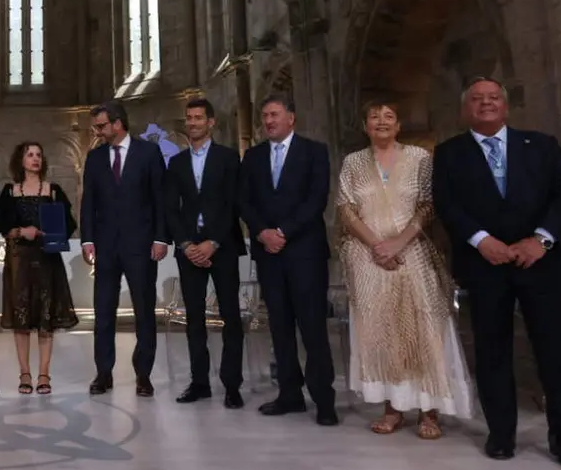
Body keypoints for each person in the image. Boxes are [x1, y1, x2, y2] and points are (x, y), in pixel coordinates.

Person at [432, 77, 561, 469]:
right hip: (485, 266)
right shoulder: (450, 153)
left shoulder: (541, 146)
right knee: (492, 352)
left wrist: (542, 240)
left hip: (541, 264)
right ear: (467, 108)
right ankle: (501, 434)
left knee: (553, 351)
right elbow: (447, 205)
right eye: (478, 99)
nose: (486, 104)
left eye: (493, 97)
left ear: (505, 105)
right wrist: (481, 240)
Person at [337, 100, 473, 440]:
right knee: (382, 333)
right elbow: (345, 208)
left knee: (424, 329)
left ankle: (430, 410)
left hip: (413, 253)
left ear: (398, 125)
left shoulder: (419, 159)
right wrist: (376, 246)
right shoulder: (353, 163)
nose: (381, 122)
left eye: (389, 117)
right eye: (374, 117)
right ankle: (392, 408)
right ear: (365, 125)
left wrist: (398, 242)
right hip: (368, 259)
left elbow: (429, 205)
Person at [238, 94, 338, 426]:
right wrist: (263, 232)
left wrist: (283, 231)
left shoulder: (314, 151)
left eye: (275, 115)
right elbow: (244, 201)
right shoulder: (252, 157)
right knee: (279, 329)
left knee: (312, 328)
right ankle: (290, 395)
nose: (268, 121)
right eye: (265, 115)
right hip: (269, 256)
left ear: (291, 118)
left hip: (305, 253)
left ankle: (324, 399)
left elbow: (317, 198)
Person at [80, 100, 168, 397]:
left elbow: (160, 198)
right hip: (105, 247)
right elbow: (88, 201)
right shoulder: (94, 158)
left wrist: (160, 238)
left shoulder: (149, 152)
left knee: (144, 311)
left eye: (102, 126)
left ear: (118, 124)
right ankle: (103, 372)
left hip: (141, 245)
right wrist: (87, 239)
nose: (98, 131)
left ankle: (143, 374)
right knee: (103, 310)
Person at [164, 98, 245, 408]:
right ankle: (199, 383)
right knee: (194, 319)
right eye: (189, 118)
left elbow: (232, 204)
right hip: (189, 250)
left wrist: (214, 241)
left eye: (199, 118)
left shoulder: (227, 158)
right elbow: (171, 209)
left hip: (221, 247)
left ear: (211, 122)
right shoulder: (177, 163)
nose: (193, 122)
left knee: (231, 317)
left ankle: (231, 385)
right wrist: (186, 244)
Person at [0, 141, 79, 395]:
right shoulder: (10, 192)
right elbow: (1, 226)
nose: (35, 159)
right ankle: (24, 374)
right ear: (21, 160)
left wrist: (50, 232)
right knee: (21, 318)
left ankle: (43, 374)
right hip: (19, 259)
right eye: (30, 154)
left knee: (45, 317)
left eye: (39, 155)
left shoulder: (53, 191)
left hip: (46, 259)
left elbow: (69, 225)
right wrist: (22, 231)